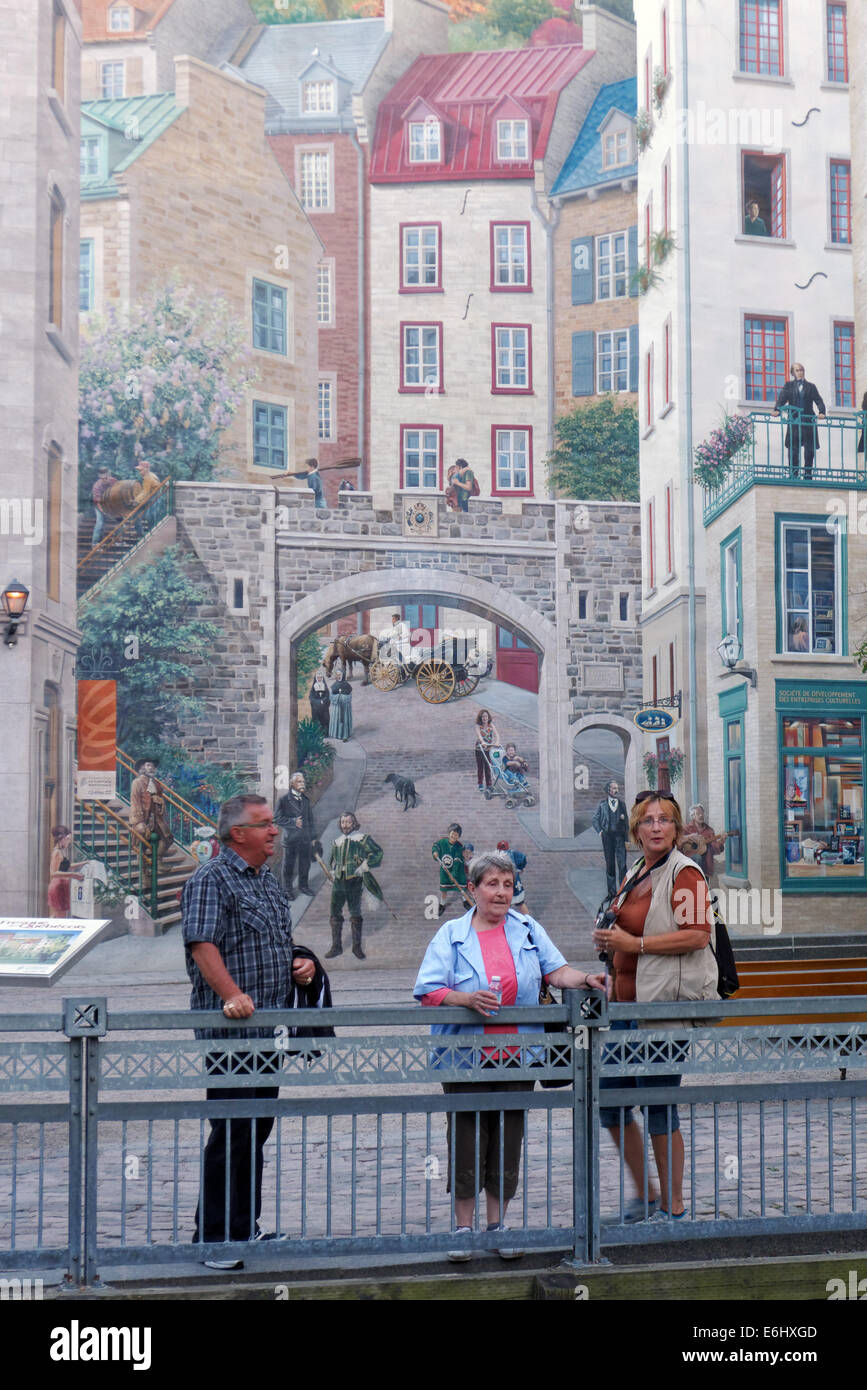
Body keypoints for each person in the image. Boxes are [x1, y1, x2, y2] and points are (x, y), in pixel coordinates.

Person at [415, 850, 604, 1261]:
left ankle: (498, 1224)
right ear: (472, 890)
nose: (501, 893)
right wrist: (464, 997)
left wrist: (586, 977)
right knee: (465, 1137)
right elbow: (428, 990)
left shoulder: (527, 928)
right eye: (491, 884)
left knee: (508, 1137)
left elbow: (557, 972)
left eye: (506, 884)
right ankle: (463, 1229)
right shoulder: (450, 934)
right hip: (465, 1057)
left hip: (519, 1055)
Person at [181, 794, 316, 1268]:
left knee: (254, 1131)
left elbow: (274, 943)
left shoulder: (267, 882)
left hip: (270, 1031)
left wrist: (298, 965)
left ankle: (244, 1228)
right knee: (231, 1131)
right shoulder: (210, 879)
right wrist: (231, 995)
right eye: (264, 824)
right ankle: (214, 1238)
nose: (275, 831)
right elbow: (203, 945)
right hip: (231, 1035)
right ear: (238, 833)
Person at [592, 792, 716, 1223]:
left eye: (665, 821)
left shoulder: (686, 874)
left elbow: (698, 934)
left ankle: (673, 1205)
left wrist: (635, 944)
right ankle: (646, 1194)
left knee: (659, 1105)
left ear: (678, 829)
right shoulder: (635, 872)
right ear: (636, 830)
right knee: (608, 1100)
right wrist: (610, 943)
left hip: (662, 1010)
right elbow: (627, 931)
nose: (657, 827)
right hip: (627, 1008)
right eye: (649, 821)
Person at [327, 811, 383, 961]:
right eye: (343, 822)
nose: (345, 825)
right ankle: (336, 947)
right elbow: (332, 860)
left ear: (354, 823)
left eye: (348, 822)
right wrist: (332, 872)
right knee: (334, 912)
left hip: (354, 879)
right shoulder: (337, 841)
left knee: (355, 912)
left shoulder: (362, 839)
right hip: (339, 881)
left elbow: (377, 853)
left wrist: (365, 865)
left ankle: (356, 947)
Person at [772, 364, 826, 480]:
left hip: (808, 421)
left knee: (809, 450)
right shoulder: (789, 386)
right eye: (797, 370)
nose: (800, 372)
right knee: (793, 449)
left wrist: (822, 412)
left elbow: (818, 400)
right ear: (793, 373)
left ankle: (808, 475)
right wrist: (777, 410)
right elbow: (782, 399)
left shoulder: (811, 386)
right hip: (794, 421)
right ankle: (794, 474)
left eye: (801, 370)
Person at [274, 772, 318, 900]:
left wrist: (313, 837)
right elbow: (276, 818)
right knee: (289, 865)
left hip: (305, 838)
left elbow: (310, 819)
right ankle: (287, 890)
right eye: (299, 782)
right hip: (290, 839)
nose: (302, 784)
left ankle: (303, 886)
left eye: (303, 781)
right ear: (292, 784)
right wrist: (293, 822)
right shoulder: (283, 800)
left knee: (305, 864)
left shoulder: (305, 800)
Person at [591, 780, 630, 898]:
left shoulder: (622, 804)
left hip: (620, 838)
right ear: (608, 790)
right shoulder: (602, 805)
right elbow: (595, 819)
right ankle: (612, 893)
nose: (616, 790)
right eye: (613, 788)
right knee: (610, 865)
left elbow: (626, 823)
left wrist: (627, 839)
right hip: (607, 838)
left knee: (622, 864)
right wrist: (601, 832)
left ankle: (623, 891)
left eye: (617, 788)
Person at [129, 758, 174, 857]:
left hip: (156, 818)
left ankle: (158, 860)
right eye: (148, 765)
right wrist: (139, 821)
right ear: (142, 768)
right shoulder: (137, 783)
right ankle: (143, 869)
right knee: (142, 840)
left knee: (168, 838)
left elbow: (160, 800)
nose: (151, 768)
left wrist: (160, 802)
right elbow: (135, 802)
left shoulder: (156, 784)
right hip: (143, 817)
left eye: (153, 766)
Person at [47, 826, 85, 917]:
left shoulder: (60, 851)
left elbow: (67, 866)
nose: (69, 841)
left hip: (62, 885)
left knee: (57, 915)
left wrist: (84, 862)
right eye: (68, 839)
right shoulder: (56, 852)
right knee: (60, 917)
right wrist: (74, 874)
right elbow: (53, 873)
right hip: (58, 886)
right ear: (61, 838)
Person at [680, 805, 726, 881]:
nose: (701, 815)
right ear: (693, 816)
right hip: (690, 869)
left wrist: (721, 841)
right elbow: (679, 844)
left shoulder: (709, 831)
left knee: (702, 891)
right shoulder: (686, 829)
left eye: (702, 813)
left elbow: (714, 849)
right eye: (698, 814)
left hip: (705, 869)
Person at [432, 823, 469, 917]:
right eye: (452, 833)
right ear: (449, 833)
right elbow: (435, 846)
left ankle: (465, 901)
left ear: (458, 836)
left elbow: (457, 862)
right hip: (445, 871)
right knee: (444, 889)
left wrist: (454, 874)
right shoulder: (442, 842)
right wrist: (435, 852)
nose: (453, 836)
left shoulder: (459, 847)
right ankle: (442, 904)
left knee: (461, 888)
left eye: (456, 835)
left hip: (457, 870)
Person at [496, 840, 529, 914]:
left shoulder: (496, 856)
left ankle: (505, 923)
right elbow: (523, 858)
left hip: (507, 882)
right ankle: (529, 922)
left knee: (505, 904)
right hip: (513, 880)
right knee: (520, 903)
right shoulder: (513, 853)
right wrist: (520, 868)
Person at [474, 708, 500, 793]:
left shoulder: (491, 725)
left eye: (486, 716)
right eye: (483, 717)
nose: (484, 718)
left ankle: (489, 784)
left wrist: (497, 742)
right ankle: (480, 783)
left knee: (488, 766)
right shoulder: (478, 726)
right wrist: (482, 742)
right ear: (480, 718)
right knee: (480, 767)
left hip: (488, 749)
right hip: (479, 749)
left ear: (488, 717)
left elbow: (497, 734)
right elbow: (479, 735)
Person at [91, 466, 117, 546]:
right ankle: (95, 543)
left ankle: (118, 540)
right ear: (100, 477)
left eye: (106, 477)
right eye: (103, 478)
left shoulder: (113, 481)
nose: (105, 480)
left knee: (120, 522)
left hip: (111, 504)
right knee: (100, 523)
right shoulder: (96, 487)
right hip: (100, 506)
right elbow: (98, 503)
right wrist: (105, 512)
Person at [328, 676, 353, 742]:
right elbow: (331, 696)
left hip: (344, 708)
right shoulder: (334, 685)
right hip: (336, 708)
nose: (338, 676)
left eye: (340, 675)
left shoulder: (347, 685)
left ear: (343, 675)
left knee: (344, 721)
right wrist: (338, 696)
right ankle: (336, 734)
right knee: (337, 720)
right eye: (337, 675)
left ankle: (345, 735)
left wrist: (342, 697)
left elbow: (349, 696)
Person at [308, 667, 331, 733]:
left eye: (320, 677)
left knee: (325, 719)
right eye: (318, 677)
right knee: (316, 720)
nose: (319, 679)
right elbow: (311, 697)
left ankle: (325, 733)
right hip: (316, 708)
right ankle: (317, 733)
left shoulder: (325, 687)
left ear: (322, 678)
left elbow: (327, 696)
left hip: (324, 708)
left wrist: (323, 701)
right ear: (316, 678)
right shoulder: (313, 687)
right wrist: (317, 702)